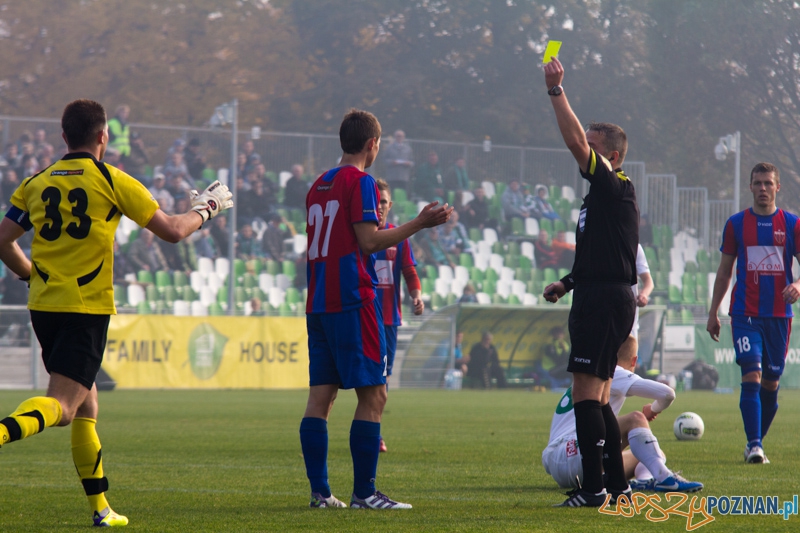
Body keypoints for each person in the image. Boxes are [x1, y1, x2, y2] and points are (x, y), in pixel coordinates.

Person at [0, 99, 232, 527]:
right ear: (104, 136)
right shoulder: (112, 179)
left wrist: (30, 274)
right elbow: (174, 231)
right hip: (85, 308)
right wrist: (209, 208)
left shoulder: (36, 181)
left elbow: (2, 239)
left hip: (44, 306)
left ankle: (101, 510)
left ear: (65, 136)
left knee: (87, 405)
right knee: (64, 407)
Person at [300, 109, 451, 510]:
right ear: (373, 145)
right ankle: (365, 493)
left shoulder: (318, 185)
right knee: (375, 395)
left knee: (320, 399)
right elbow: (367, 242)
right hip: (352, 299)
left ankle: (320, 493)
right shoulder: (361, 182)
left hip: (318, 302)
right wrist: (420, 223)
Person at [541, 57, 639, 507]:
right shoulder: (599, 200)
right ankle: (618, 489)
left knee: (586, 392)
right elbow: (597, 258)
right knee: (598, 396)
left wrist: (557, 91)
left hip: (604, 302)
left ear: (611, 156)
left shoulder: (614, 185)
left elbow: (575, 139)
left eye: (595, 148)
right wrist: (566, 283)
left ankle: (594, 489)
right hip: (600, 295)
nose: (585, 151)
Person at [707, 162, 800, 465]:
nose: (763, 188)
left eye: (768, 183)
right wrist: (713, 313)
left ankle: (755, 441)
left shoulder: (792, 224)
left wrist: (798, 284)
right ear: (750, 186)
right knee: (752, 374)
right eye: (757, 183)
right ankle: (755, 443)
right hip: (744, 313)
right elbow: (724, 272)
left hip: (779, 316)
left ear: (777, 187)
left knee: (771, 382)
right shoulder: (736, 224)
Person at [542, 343, 703, 494]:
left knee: (653, 455)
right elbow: (667, 394)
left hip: (563, 460)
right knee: (636, 419)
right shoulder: (612, 371)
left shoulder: (592, 374)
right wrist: (652, 409)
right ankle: (665, 478)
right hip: (572, 453)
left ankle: (644, 480)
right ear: (634, 360)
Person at [374, 178, 425, 453]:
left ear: (390, 205)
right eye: (376, 201)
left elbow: (409, 272)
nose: (380, 206)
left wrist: (416, 295)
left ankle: (374, 432)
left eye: (384, 202)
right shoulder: (361, 236)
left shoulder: (398, 237)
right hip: (362, 319)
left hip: (388, 321)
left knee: (382, 381)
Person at [617, 244, 655, 367]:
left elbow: (648, 281)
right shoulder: (600, 244)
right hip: (603, 314)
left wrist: (643, 294)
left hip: (629, 317)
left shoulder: (635, 247)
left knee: (627, 365)